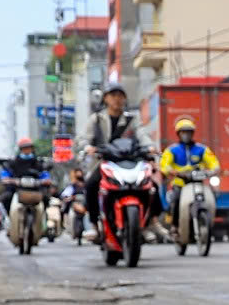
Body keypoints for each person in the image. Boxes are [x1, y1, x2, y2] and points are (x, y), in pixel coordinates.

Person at [88, 85, 150, 238]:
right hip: (105, 163)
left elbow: (142, 135)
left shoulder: (132, 119)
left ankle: (150, 222)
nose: (117, 99)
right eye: (113, 95)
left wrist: (150, 147)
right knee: (91, 184)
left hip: (130, 162)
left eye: (120, 96)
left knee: (150, 185)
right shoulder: (96, 119)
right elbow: (83, 139)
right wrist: (87, 147)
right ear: (105, 99)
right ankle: (95, 225)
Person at [161, 116, 217, 224]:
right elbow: (164, 165)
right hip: (180, 183)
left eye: (189, 132)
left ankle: (209, 221)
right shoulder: (172, 150)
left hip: (198, 183)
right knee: (175, 200)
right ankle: (174, 225)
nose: (186, 135)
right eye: (183, 132)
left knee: (211, 197)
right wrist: (172, 171)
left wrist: (212, 171)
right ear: (178, 134)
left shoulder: (202, 149)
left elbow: (214, 163)